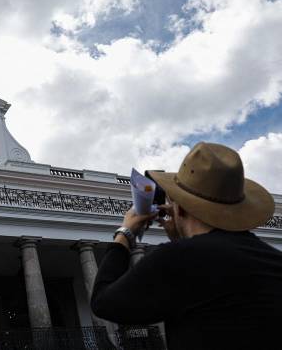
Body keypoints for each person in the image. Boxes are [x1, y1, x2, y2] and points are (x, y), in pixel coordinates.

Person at [91, 142, 282, 350]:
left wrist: (125, 232)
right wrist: (183, 240)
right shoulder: (274, 259)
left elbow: (103, 302)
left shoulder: (177, 257)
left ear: (179, 208)